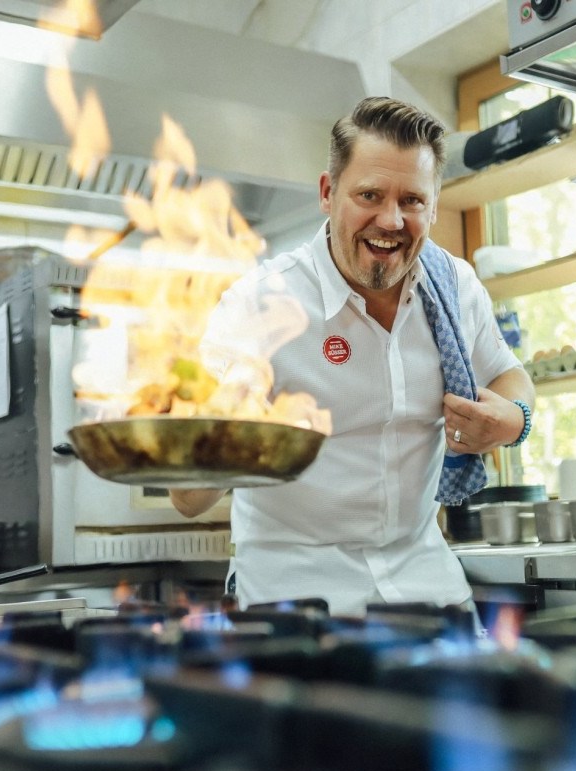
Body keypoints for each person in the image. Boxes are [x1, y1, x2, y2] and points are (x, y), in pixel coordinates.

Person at [171, 96, 535, 617]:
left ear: (433, 205)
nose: (390, 220)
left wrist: (513, 419)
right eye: (369, 195)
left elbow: (509, 375)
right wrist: (231, 430)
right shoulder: (260, 304)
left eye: (412, 200)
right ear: (328, 192)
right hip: (294, 604)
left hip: (428, 592)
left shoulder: (454, 285)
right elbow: (185, 499)